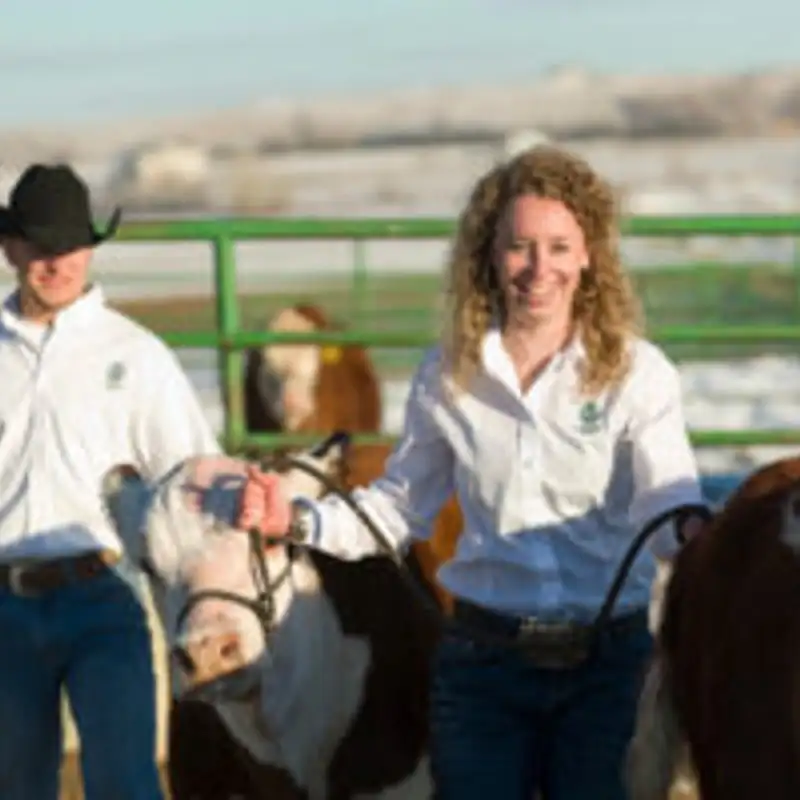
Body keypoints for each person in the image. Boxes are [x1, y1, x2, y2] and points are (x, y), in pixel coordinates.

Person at [235, 145, 709, 799]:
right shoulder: (448, 374)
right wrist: (295, 518)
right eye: (519, 246)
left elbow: (668, 497)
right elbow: (400, 509)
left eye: (558, 246)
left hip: (607, 665)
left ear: (589, 255)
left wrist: (695, 533)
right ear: (489, 253)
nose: (539, 268)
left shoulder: (638, 372)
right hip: (485, 664)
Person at [0, 163, 221, 800]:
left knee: (126, 783)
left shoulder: (136, 355)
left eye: (70, 245)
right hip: (4, 608)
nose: (56, 263)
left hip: (102, 596)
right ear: (11, 248)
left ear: (91, 248)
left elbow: (191, 477)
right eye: (40, 246)